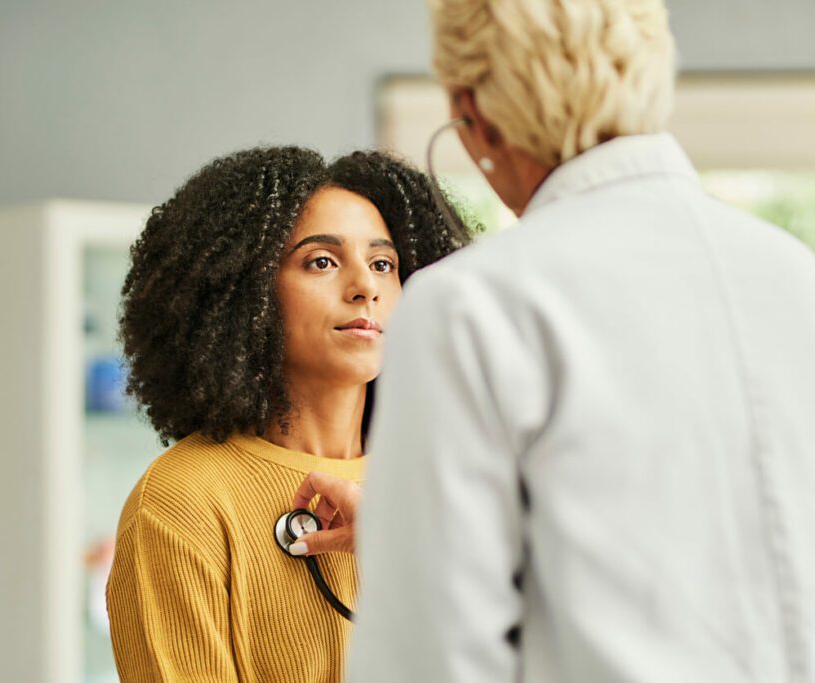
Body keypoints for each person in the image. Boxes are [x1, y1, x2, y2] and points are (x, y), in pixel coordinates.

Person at [328, 1, 815, 681]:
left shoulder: (470, 305)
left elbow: (430, 659)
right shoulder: (795, 277)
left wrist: (408, 542)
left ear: (472, 110)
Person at [105, 146, 469, 682]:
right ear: (243, 292)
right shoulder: (180, 502)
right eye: (321, 261)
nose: (364, 286)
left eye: (383, 264)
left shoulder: (447, 481)